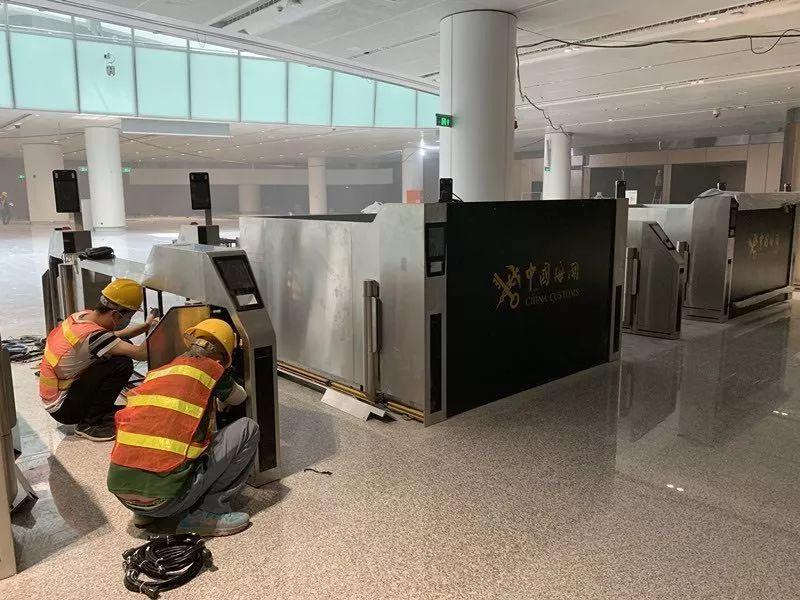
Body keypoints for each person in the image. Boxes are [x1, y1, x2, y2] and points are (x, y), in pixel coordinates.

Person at [107, 318, 259, 537]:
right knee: (247, 428)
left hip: (123, 495)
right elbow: (239, 397)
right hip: (166, 500)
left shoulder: (161, 371)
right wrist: (221, 391)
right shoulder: (212, 369)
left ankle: (143, 514)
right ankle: (207, 511)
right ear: (224, 356)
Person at [39, 278, 156, 442]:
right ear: (115, 314)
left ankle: (97, 412)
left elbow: (115, 337)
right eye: (128, 316)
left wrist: (146, 325)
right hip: (64, 409)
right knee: (121, 363)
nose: (127, 321)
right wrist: (161, 327)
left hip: (58, 398)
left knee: (121, 348)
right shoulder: (94, 336)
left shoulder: (81, 317)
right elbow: (141, 354)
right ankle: (90, 423)